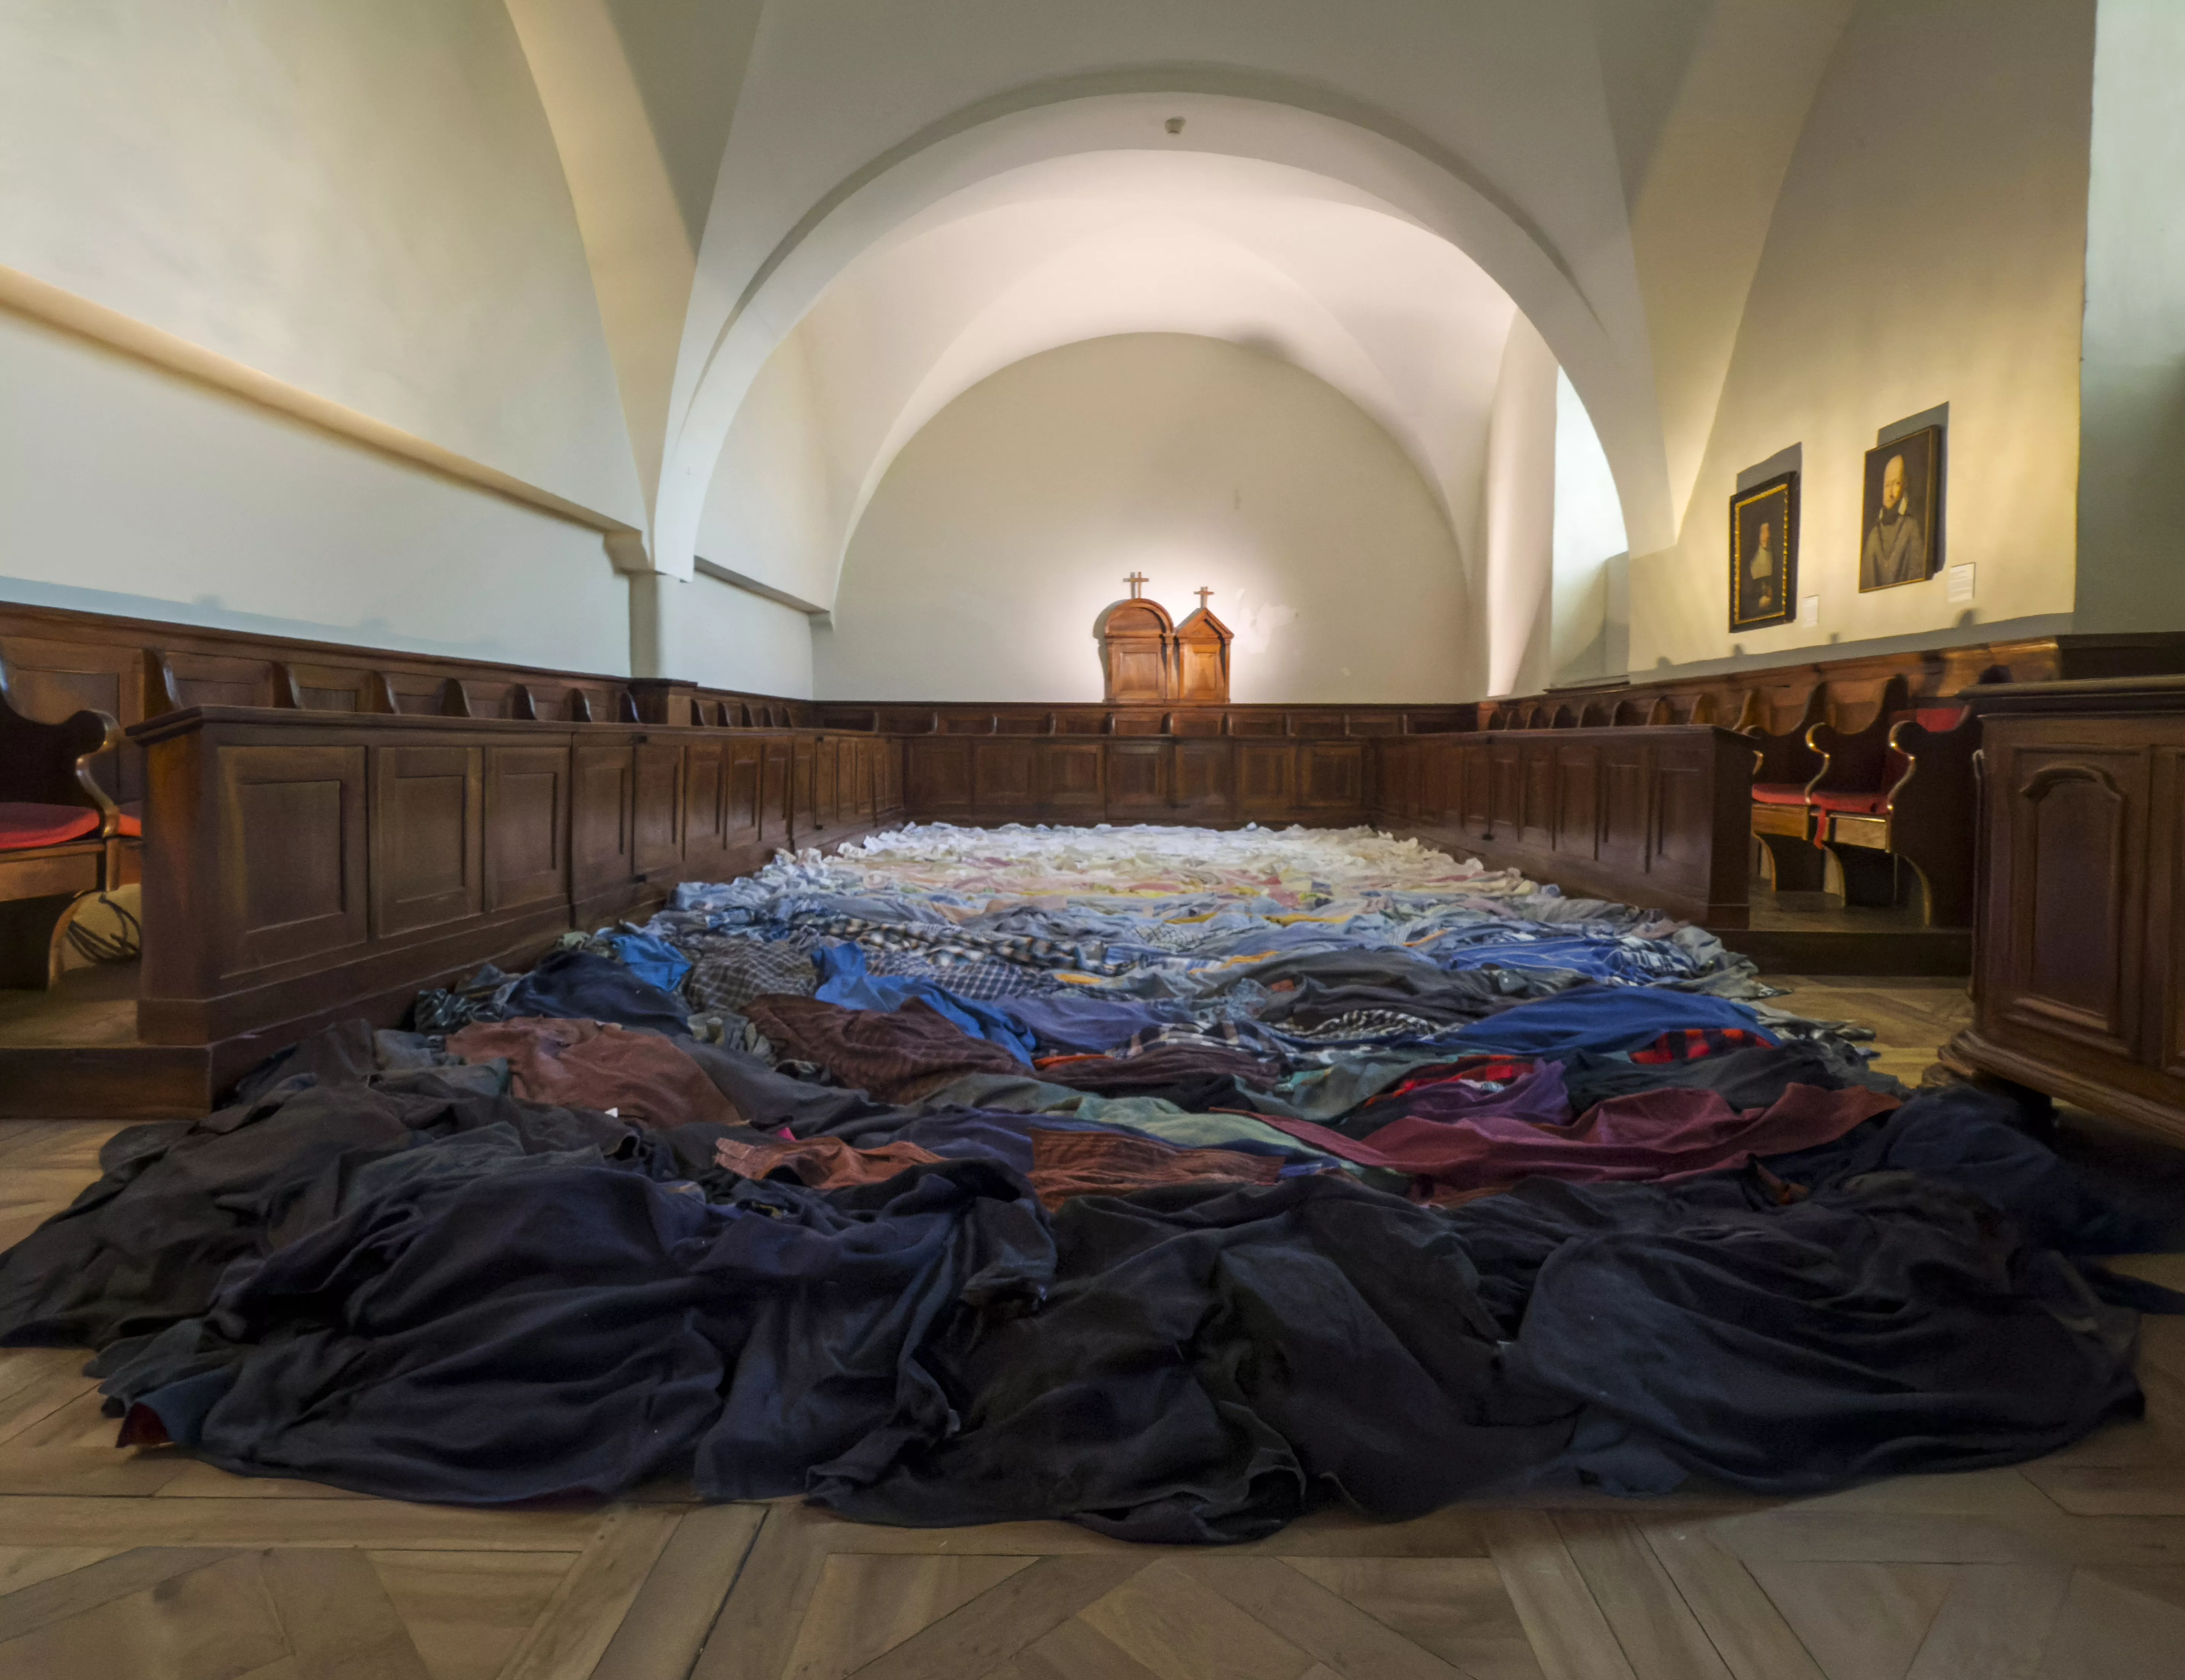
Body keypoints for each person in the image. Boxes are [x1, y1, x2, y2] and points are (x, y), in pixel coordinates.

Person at [1861, 452, 1926, 588]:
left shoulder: (1911, 528)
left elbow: (1916, 572)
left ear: (1905, 485)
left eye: (1896, 484)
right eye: (1887, 486)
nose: (1890, 493)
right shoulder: (1874, 535)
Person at [1747, 519, 1777, 615]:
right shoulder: (1750, 561)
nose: (1767, 536)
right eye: (1763, 532)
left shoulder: (1776, 557)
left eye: (1769, 532)